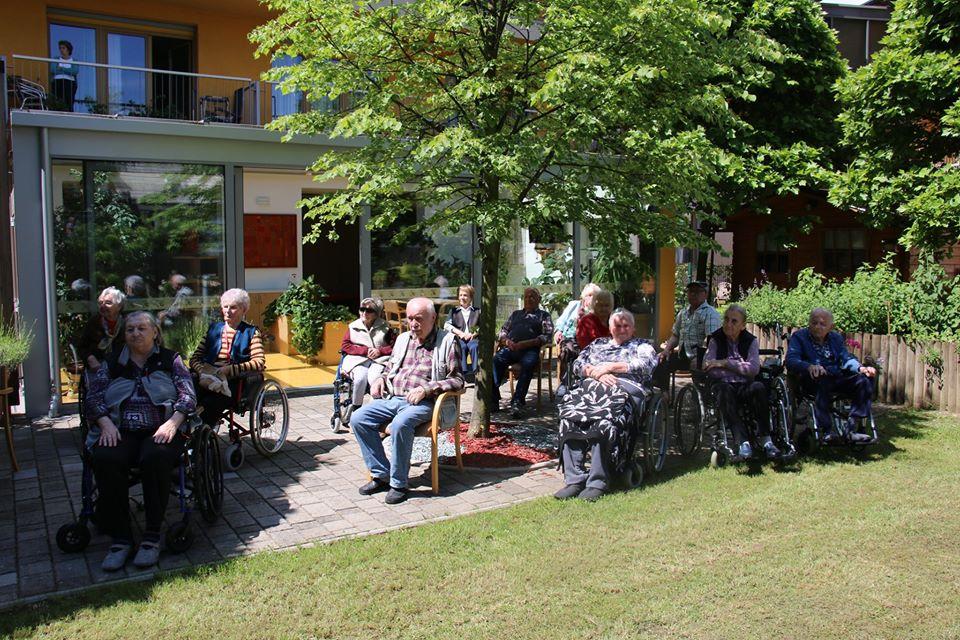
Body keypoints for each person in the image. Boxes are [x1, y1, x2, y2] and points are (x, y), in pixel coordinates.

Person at [85, 311, 196, 571]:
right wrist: (105, 423)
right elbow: (93, 398)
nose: (135, 333)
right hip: (120, 429)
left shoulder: (171, 360)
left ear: (154, 332)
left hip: (161, 428)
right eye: (130, 329)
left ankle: (151, 536)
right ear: (124, 335)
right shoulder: (112, 363)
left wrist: (173, 422)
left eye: (141, 328)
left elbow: (188, 396)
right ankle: (121, 538)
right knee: (105, 457)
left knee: (155, 457)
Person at [351, 297, 463, 504]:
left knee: (401, 423)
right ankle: (381, 474)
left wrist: (427, 388)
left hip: (426, 403)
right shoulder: (403, 339)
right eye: (410, 319)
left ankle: (398, 483)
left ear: (433, 318)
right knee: (358, 418)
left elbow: (458, 380)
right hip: (394, 398)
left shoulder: (447, 341)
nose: (413, 324)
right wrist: (380, 380)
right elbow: (390, 367)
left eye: (418, 319)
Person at [555, 309, 658, 501]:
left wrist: (611, 367)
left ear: (633, 328)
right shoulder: (597, 344)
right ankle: (575, 479)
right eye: (617, 325)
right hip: (591, 388)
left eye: (626, 325)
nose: (621, 329)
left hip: (625, 390)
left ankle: (597, 481)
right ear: (610, 328)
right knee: (569, 418)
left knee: (603, 423)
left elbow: (647, 365)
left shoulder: (642, 345)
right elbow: (577, 364)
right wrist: (596, 373)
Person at [786, 308, 876, 443]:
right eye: (814, 323)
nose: (817, 327)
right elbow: (791, 360)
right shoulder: (799, 337)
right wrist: (809, 366)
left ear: (831, 327)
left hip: (836, 377)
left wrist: (861, 368)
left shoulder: (836, 338)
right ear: (809, 323)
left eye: (822, 324)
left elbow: (845, 359)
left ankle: (851, 427)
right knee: (823, 380)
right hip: (812, 380)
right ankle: (827, 430)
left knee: (865, 380)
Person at [703, 305, 779, 460]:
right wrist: (739, 367)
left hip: (745, 386)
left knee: (759, 387)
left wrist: (725, 363)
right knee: (724, 392)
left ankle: (766, 439)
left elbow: (753, 369)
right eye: (726, 319)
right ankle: (743, 442)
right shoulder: (715, 339)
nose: (728, 324)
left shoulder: (751, 341)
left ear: (743, 326)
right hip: (724, 385)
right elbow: (709, 367)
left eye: (734, 321)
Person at [189, 289, 266, 427]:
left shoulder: (251, 332)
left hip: (233, 382)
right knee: (189, 396)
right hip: (207, 377)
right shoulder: (213, 329)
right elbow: (195, 358)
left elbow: (259, 362)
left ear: (244, 310)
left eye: (233, 307)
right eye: (225, 306)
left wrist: (230, 369)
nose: (228, 311)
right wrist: (202, 371)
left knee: (211, 402)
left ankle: (202, 434)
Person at [492, 287, 554, 417]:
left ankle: (517, 402)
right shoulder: (516, 314)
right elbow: (503, 330)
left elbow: (547, 336)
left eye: (532, 296)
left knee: (528, 364)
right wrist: (506, 341)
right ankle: (493, 398)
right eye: (526, 297)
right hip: (511, 347)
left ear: (539, 299)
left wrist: (527, 343)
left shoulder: (543, 315)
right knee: (496, 359)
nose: (528, 299)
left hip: (530, 349)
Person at [653, 281, 721, 391]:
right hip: (682, 355)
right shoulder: (683, 313)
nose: (693, 294)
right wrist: (666, 350)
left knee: (699, 372)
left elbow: (712, 340)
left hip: (700, 356)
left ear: (705, 294)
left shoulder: (710, 313)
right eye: (691, 292)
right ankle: (664, 395)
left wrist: (703, 358)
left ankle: (699, 399)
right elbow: (675, 335)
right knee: (660, 362)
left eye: (697, 292)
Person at [340, 297, 396, 415]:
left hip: (379, 360)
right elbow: (345, 346)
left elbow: (394, 346)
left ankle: (373, 411)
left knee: (374, 379)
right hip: (358, 360)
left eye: (369, 311)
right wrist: (364, 350)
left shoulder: (386, 327)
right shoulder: (353, 326)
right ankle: (356, 408)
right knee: (360, 378)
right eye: (362, 309)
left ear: (377, 314)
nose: (364, 313)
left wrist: (380, 351)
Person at [77, 286, 126, 371]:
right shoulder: (94, 322)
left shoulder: (127, 323)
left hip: (122, 371)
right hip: (97, 371)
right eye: (100, 303)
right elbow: (82, 347)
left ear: (119, 306)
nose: (102, 306)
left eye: (108, 303)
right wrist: (91, 359)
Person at [443, 284, 480, 377]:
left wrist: (474, 334)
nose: (462, 297)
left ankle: (476, 372)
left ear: (471, 298)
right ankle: (462, 373)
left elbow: (482, 326)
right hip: (460, 339)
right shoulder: (454, 311)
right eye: (460, 295)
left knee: (474, 347)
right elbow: (446, 325)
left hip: (473, 338)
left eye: (465, 295)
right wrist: (460, 333)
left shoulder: (477, 311)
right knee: (461, 347)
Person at [49, 40, 79, 112]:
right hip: (57, 82)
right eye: (60, 48)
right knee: (57, 100)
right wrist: (68, 70)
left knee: (69, 100)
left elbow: (74, 71)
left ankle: (69, 115)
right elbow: (53, 70)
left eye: (63, 48)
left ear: (68, 49)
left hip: (70, 83)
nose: (61, 50)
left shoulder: (73, 60)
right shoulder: (56, 59)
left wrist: (61, 68)